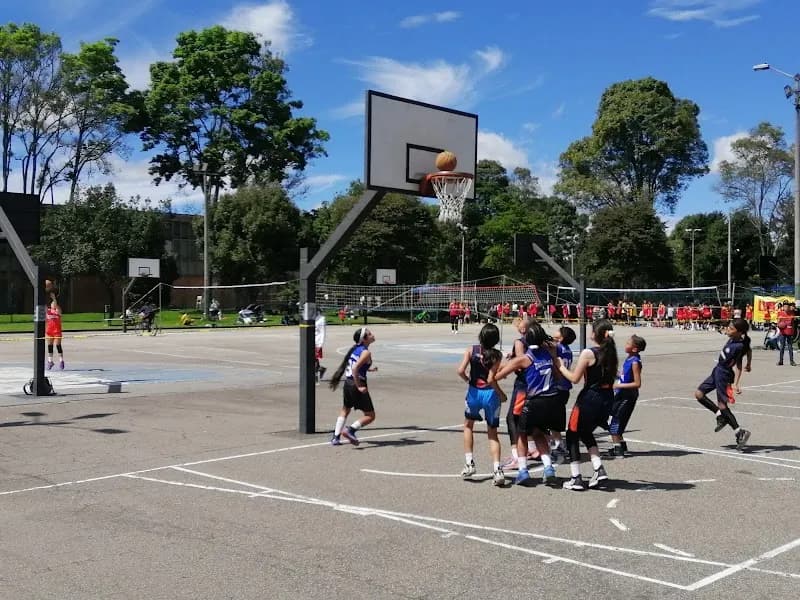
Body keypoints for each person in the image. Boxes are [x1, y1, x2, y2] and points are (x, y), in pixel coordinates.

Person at [495, 320, 562, 486]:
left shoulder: (525, 358)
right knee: (538, 433)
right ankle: (548, 468)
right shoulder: (548, 355)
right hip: (550, 400)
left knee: (522, 434)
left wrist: (495, 370)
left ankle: (523, 470)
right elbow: (558, 377)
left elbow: (498, 375)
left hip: (533, 401)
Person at [555, 319, 618, 490]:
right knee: (585, 432)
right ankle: (598, 468)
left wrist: (560, 367)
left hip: (590, 398)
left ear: (596, 334)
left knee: (572, 434)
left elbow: (575, 378)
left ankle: (576, 477)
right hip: (606, 397)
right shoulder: (611, 352)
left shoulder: (588, 353)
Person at [457, 323, 507, 486]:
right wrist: (501, 394)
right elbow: (491, 378)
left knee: (468, 426)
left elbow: (460, 370)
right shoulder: (497, 355)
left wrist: (469, 381)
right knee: (492, 432)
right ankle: (497, 470)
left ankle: (469, 463)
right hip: (490, 394)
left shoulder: (471, 350)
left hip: (474, 393)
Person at [695, 318, 752, 450]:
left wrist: (737, 383)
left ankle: (739, 431)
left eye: (731, 328)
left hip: (724, 374)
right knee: (699, 394)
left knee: (722, 404)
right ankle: (720, 415)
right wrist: (750, 362)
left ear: (739, 332)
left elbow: (739, 364)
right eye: (728, 327)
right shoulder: (734, 339)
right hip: (717, 370)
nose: (728, 329)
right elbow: (749, 350)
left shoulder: (738, 346)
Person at [328, 327, 378, 446]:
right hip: (357, 383)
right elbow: (355, 368)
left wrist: (369, 369)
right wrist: (359, 386)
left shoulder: (356, 349)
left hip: (348, 383)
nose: (372, 335)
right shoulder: (366, 352)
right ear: (364, 339)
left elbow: (355, 366)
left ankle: (336, 437)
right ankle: (351, 430)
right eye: (369, 334)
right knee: (370, 416)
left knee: (345, 409)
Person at [607, 335, 646, 458]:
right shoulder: (629, 359)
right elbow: (624, 376)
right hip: (622, 394)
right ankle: (621, 446)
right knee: (616, 419)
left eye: (628, 343)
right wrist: (614, 373)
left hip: (627, 396)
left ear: (634, 349)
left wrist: (617, 386)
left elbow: (637, 383)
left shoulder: (635, 362)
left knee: (616, 421)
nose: (625, 344)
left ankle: (618, 451)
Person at [549, 325, 576, 461]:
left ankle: (559, 445)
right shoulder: (568, 350)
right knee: (555, 416)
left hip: (558, 386)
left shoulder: (558, 347)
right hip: (564, 386)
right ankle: (556, 443)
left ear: (562, 337)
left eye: (558, 331)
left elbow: (549, 350)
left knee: (553, 418)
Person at [45, 290, 64, 370]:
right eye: (51, 303)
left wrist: (54, 298)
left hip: (57, 332)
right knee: (50, 346)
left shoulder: (58, 312)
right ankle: (50, 361)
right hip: (49, 332)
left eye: (54, 303)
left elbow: (56, 305)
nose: (52, 304)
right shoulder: (48, 312)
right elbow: (44, 307)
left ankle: (61, 361)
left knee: (58, 346)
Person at [775, 302, 796, 366]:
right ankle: (781, 361)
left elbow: (793, 324)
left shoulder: (792, 313)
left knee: (790, 347)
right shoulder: (780, 313)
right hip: (783, 332)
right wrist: (780, 325)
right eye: (785, 307)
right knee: (782, 347)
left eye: (787, 307)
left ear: (789, 307)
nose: (786, 308)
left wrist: (792, 331)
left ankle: (792, 361)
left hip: (789, 332)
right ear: (783, 307)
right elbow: (778, 323)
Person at [733, 330, 752, 395]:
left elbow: (749, 351)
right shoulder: (734, 339)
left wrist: (748, 364)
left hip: (738, 355)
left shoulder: (747, 340)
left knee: (738, 366)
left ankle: (735, 385)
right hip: (729, 356)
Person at [315, 309, 327, 381]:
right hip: (309, 341)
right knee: (313, 359)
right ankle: (320, 369)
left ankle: (316, 376)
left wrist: (320, 344)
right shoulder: (311, 317)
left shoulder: (321, 319)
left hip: (317, 342)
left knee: (314, 359)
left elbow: (323, 332)